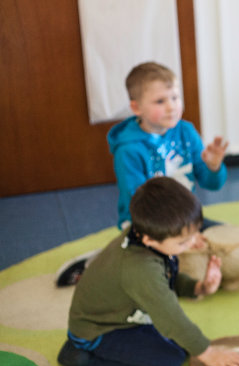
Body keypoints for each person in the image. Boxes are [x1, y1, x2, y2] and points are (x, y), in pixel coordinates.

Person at [57, 177, 239, 366]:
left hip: (126, 315)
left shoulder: (145, 234)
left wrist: (199, 287)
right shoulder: (139, 268)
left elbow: (165, 281)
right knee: (168, 363)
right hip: (97, 330)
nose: (194, 242)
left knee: (183, 345)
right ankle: (81, 358)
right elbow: (169, 315)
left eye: (195, 233)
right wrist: (207, 353)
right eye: (183, 241)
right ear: (149, 240)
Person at [56, 62, 228, 286]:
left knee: (226, 240)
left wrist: (214, 166)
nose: (171, 107)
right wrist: (186, 238)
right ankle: (100, 264)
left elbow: (211, 183)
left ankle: (174, 253)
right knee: (156, 275)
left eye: (175, 97)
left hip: (186, 221)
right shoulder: (129, 150)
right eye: (160, 101)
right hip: (147, 226)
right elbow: (139, 205)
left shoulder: (186, 131)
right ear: (137, 108)